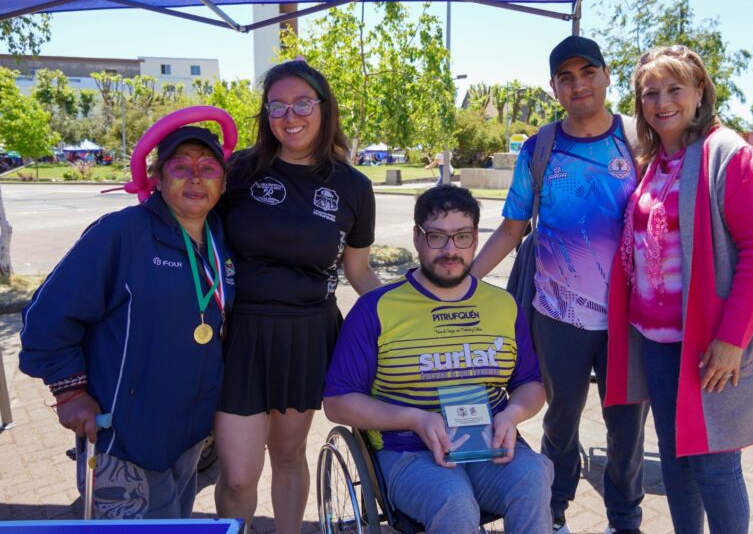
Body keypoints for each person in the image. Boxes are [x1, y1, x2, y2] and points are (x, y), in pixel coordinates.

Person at [605, 45, 753, 534]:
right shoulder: (655, 160)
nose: (662, 101)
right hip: (657, 342)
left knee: (714, 465)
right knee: (674, 459)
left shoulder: (726, 154)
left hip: (708, 345)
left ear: (699, 93)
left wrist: (731, 341)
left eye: (675, 89)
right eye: (651, 92)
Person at [471, 35, 648, 534]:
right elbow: (511, 228)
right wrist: (465, 280)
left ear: (607, 75)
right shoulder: (540, 148)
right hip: (557, 315)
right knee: (559, 422)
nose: (578, 85)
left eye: (587, 72)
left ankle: (624, 521)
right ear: (553, 87)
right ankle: (553, 513)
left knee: (627, 427)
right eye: (566, 77)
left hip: (628, 319)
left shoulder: (640, 142)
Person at [19, 126, 234, 519]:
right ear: (157, 177)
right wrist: (69, 392)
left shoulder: (220, 238)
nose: (196, 177)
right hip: (124, 441)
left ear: (223, 179)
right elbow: (45, 319)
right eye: (181, 166)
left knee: (175, 525)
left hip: (188, 437)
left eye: (208, 167)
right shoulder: (121, 233)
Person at [324, 185, 554, 534]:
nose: (450, 250)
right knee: (454, 500)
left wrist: (513, 414)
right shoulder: (376, 308)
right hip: (408, 452)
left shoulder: (502, 305)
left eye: (462, 236)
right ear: (417, 237)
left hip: (487, 446)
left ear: (476, 239)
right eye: (437, 237)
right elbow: (338, 403)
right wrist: (416, 419)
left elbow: (530, 385)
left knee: (535, 475)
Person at [213, 59, 381, 533]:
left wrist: (408, 312)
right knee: (240, 475)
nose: (291, 116)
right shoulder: (239, 171)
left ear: (324, 108)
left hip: (307, 334)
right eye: (278, 106)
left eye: (302, 103)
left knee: (289, 456)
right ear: (265, 114)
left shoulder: (354, 187)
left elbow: (359, 271)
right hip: (239, 334)